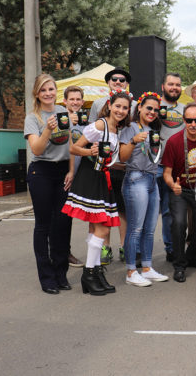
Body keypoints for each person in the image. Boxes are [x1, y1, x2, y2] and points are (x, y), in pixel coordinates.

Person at [63, 91, 132, 295]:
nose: (120, 110)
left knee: (97, 229)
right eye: (118, 106)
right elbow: (74, 148)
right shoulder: (100, 125)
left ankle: (93, 273)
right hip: (90, 179)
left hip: (102, 178)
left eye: (125, 108)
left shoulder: (116, 128)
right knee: (102, 229)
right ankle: (89, 272)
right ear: (110, 105)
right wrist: (89, 152)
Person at [24, 74, 74, 294]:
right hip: (41, 172)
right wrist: (47, 130)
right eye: (43, 90)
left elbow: (71, 143)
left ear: (56, 91)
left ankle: (61, 273)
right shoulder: (32, 118)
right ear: (37, 93)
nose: (48, 93)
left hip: (63, 171)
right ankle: (47, 277)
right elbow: (36, 149)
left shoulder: (64, 112)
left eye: (51, 89)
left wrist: (72, 170)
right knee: (43, 226)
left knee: (63, 224)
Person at [118, 92, 169, 287]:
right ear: (139, 107)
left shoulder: (154, 129)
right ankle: (131, 271)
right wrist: (133, 141)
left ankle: (146, 268)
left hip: (152, 179)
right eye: (149, 108)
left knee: (149, 229)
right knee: (135, 228)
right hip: (135, 178)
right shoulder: (130, 128)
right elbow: (122, 157)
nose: (152, 112)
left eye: (156, 110)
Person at [162, 102, 196, 283]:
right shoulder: (173, 141)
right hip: (180, 190)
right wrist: (172, 185)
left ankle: (191, 256)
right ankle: (179, 265)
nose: (193, 124)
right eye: (189, 120)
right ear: (183, 120)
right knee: (179, 223)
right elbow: (166, 173)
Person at [88, 67, 134, 265]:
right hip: (103, 167)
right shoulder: (98, 104)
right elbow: (90, 134)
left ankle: (124, 245)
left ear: (126, 83)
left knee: (123, 209)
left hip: (124, 166)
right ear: (108, 83)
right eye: (114, 79)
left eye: (122, 79)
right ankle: (105, 247)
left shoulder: (134, 105)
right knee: (103, 210)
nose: (118, 81)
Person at [158, 72, 186, 263]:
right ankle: (138, 253)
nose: (174, 87)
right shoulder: (153, 106)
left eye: (177, 85)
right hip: (154, 165)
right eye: (170, 84)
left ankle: (171, 248)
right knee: (150, 212)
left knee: (171, 212)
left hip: (177, 168)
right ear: (163, 86)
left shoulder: (185, 109)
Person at [63, 85, 86, 267]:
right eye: (72, 99)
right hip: (63, 172)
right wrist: (68, 122)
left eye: (78, 99)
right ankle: (62, 252)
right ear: (65, 101)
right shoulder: (61, 119)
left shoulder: (86, 120)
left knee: (69, 215)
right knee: (60, 215)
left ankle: (64, 250)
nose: (75, 102)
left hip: (79, 174)